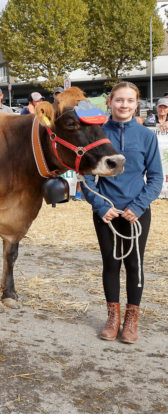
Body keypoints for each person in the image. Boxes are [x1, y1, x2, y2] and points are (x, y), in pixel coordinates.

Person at [83, 82, 162, 344]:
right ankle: (112, 318)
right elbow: (86, 179)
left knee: (134, 265)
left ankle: (131, 321)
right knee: (110, 264)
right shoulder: (97, 134)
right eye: (119, 100)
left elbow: (156, 179)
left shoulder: (147, 136)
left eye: (129, 101)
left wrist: (138, 207)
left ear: (136, 104)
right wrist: (102, 206)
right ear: (109, 103)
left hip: (136, 214)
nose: (124, 105)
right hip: (106, 213)